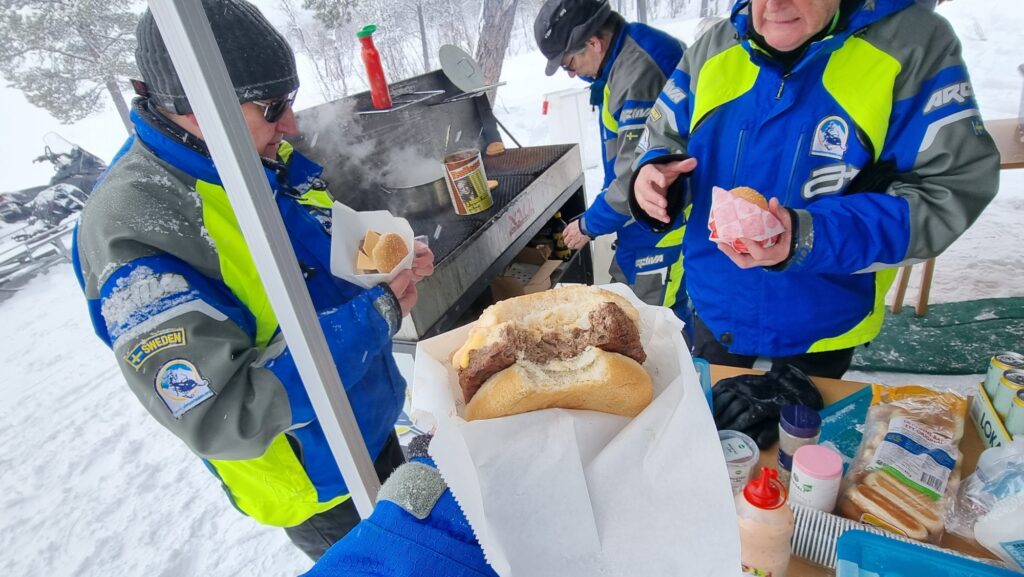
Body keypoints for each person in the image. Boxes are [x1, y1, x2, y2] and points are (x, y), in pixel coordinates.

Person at [72, 0, 433, 560]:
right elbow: (226, 409)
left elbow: (317, 242)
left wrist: (386, 261)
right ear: (196, 104)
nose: (290, 122)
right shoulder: (133, 227)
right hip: (316, 480)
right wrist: (378, 313)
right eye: (272, 106)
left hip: (369, 414)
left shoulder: (251, 151)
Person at [629, 0, 999, 380]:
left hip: (821, 323)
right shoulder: (714, 47)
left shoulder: (911, 44)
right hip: (716, 308)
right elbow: (661, 138)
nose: (774, 5)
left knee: (801, 439)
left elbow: (949, 188)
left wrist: (809, 236)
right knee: (716, 434)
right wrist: (652, 177)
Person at [534, 0, 690, 322]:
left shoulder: (638, 72)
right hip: (639, 221)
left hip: (662, 223)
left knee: (657, 322)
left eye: (569, 63)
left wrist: (589, 225)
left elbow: (635, 177)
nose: (572, 72)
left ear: (593, 43)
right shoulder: (620, 60)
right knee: (629, 311)